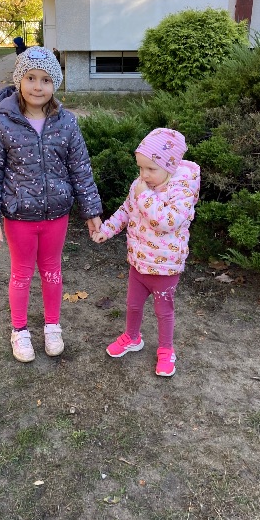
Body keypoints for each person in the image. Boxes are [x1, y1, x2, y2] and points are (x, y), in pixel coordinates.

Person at [0, 46, 102, 363]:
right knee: (21, 273)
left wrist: (91, 210)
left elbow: (80, 168)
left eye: (46, 80)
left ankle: (52, 326)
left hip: (56, 214)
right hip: (19, 216)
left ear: (54, 84)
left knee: (52, 271)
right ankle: (19, 330)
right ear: (19, 80)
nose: (37, 86)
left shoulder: (66, 122)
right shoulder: (3, 123)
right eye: (31, 78)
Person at [92, 128, 200, 377]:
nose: (144, 175)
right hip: (139, 263)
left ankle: (166, 349)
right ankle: (132, 337)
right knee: (133, 305)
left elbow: (168, 222)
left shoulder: (181, 192)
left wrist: (146, 197)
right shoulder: (140, 187)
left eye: (151, 169)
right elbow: (125, 211)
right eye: (141, 168)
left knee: (163, 312)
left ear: (170, 167)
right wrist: (106, 230)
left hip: (165, 268)